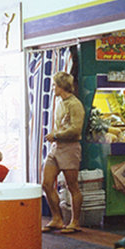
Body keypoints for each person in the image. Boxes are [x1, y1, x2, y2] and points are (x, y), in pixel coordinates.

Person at [41, 71, 85, 233]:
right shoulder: (60, 103)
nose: (53, 88)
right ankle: (57, 218)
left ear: (61, 86)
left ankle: (75, 222)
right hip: (57, 147)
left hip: (70, 147)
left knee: (72, 186)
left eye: (54, 85)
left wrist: (56, 135)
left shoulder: (75, 104)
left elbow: (76, 129)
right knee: (46, 183)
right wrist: (56, 136)